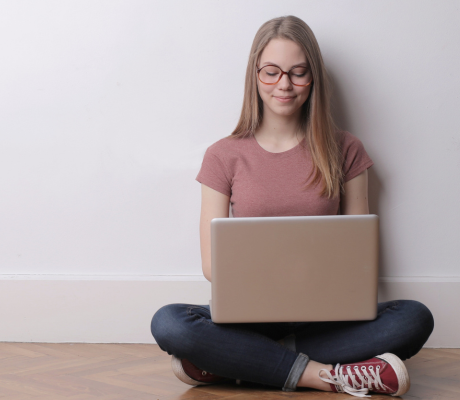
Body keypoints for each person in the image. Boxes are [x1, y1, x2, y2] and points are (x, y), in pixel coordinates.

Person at [151, 15, 434, 398]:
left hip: (326, 318)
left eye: (298, 73)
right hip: (250, 319)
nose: (284, 84)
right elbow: (212, 267)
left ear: (313, 77)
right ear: (255, 75)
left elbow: (360, 258)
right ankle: (328, 376)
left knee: (414, 318)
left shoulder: (346, 149)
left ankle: (234, 363)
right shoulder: (223, 155)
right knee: (170, 323)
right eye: (272, 72)